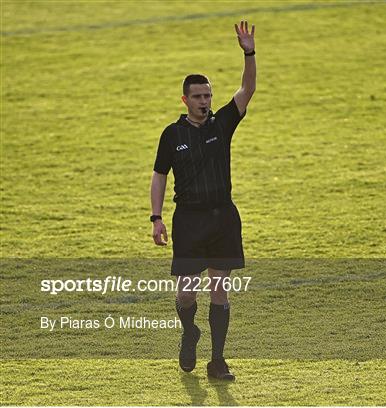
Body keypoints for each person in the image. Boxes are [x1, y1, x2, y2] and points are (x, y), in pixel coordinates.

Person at [149, 20, 256, 381]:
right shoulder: (172, 134)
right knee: (185, 294)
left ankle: (218, 361)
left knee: (220, 291)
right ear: (185, 99)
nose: (204, 101)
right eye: (197, 96)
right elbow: (159, 174)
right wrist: (156, 217)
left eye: (208, 95)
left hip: (223, 216)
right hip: (189, 220)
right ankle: (189, 332)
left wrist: (249, 52)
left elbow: (247, 89)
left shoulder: (221, 124)